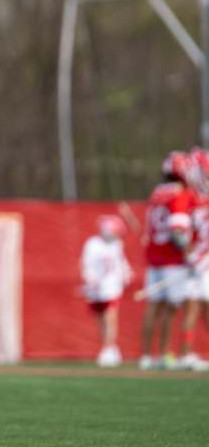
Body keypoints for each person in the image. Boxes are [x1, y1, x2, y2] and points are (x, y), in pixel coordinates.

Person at [139, 152, 196, 370]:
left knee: (153, 307)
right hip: (172, 259)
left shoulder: (157, 193)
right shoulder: (179, 194)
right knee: (172, 308)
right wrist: (190, 254)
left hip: (154, 257)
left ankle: (145, 356)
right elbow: (178, 232)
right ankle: (164, 354)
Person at [80, 215, 132, 367]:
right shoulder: (93, 244)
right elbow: (87, 264)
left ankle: (110, 347)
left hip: (111, 286)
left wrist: (126, 273)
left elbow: (120, 262)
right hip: (97, 288)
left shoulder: (117, 244)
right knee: (102, 318)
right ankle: (108, 347)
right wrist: (90, 280)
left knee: (110, 316)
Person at [179, 147, 209, 371]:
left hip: (204, 262)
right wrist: (192, 256)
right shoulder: (189, 199)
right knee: (193, 306)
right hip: (198, 264)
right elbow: (182, 234)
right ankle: (186, 353)